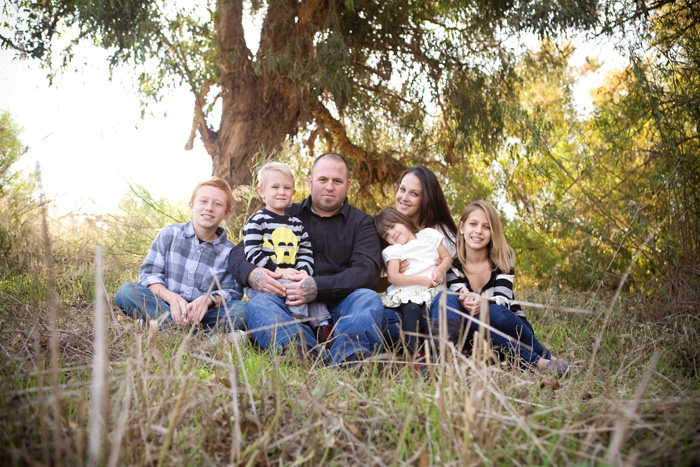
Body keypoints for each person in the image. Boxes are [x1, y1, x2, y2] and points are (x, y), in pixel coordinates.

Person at [229, 153, 384, 366]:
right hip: (288, 302)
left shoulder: (361, 223)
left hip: (341, 304)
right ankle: (304, 354)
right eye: (323, 179)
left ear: (348, 185)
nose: (329, 186)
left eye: (337, 181)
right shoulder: (283, 214)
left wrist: (317, 286)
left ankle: (349, 358)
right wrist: (252, 274)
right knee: (261, 305)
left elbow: (367, 271)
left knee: (368, 299)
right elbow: (239, 253)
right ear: (310, 181)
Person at [431, 200, 571, 376]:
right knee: (471, 318)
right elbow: (462, 298)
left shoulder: (503, 260)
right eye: (473, 224)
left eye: (486, 227)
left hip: (510, 329)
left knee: (493, 311)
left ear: (493, 232)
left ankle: (544, 356)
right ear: (461, 227)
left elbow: (503, 300)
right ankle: (540, 362)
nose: (478, 231)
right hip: (481, 340)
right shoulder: (452, 267)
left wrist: (482, 302)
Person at [114, 177, 247, 337]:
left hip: (204, 316)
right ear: (191, 205)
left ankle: (163, 326)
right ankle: (196, 335)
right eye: (203, 201)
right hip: (164, 307)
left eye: (217, 204)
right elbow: (149, 276)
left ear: (227, 213)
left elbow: (231, 292)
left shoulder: (230, 252)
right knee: (126, 292)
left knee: (244, 311)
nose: (209, 208)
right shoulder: (169, 234)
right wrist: (171, 298)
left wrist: (208, 300)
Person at [243, 161, 331, 328]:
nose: (281, 192)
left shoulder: (297, 224)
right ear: (261, 192)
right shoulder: (257, 220)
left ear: (293, 192)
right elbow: (252, 251)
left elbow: (305, 251)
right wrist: (277, 270)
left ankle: (323, 327)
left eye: (287, 188)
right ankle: (296, 322)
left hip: (291, 276)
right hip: (269, 279)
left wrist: (303, 271)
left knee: (311, 289)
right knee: (294, 291)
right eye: (275, 187)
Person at [383, 165, 459, 344]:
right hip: (403, 304)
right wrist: (396, 274)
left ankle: (436, 345)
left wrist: (439, 269)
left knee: (440, 308)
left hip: (432, 302)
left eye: (414, 194)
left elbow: (452, 275)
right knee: (385, 323)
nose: (404, 198)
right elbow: (375, 281)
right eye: (402, 189)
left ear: (427, 199)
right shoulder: (389, 230)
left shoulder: (439, 233)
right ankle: (417, 345)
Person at [374, 207, 452, 359]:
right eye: (386, 235)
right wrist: (420, 281)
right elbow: (392, 277)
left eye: (392, 226)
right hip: (406, 293)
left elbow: (447, 258)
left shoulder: (429, 235)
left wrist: (439, 269)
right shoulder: (395, 250)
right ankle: (413, 355)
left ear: (402, 220)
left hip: (430, 292)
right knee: (412, 309)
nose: (392, 234)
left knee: (425, 314)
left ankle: (434, 354)